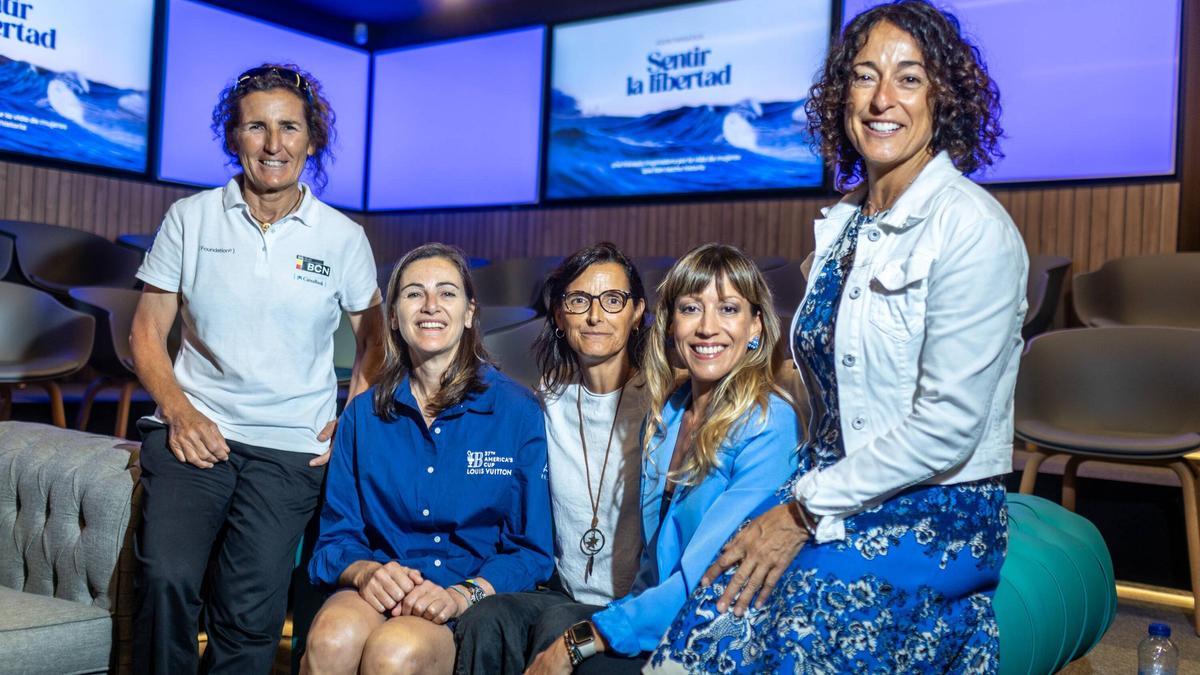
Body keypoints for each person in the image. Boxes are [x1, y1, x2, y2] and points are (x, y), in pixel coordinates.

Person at [648, 2, 1027, 672]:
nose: (883, 99)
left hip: (935, 506)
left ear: (945, 97)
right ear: (840, 95)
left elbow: (948, 427)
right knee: (715, 597)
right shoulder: (844, 223)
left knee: (801, 617)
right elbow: (832, 375)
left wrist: (800, 512)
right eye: (863, 76)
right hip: (827, 485)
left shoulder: (974, 229)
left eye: (909, 79)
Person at [130, 64, 383, 673]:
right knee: (167, 579)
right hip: (197, 433)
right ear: (233, 138)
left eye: (289, 128)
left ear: (311, 140)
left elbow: (375, 337)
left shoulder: (343, 238)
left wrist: (353, 415)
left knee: (250, 613)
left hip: (292, 447)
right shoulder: (190, 218)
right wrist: (180, 411)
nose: (274, 145)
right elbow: (144, 332)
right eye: (256, 127)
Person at [525, 243, 801, 674]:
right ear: (671, 324)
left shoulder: (768, 424)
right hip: (658, 617)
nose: (708, 328)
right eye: (691, 308)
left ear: (756, 328)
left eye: (728, 309)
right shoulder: (669, 413)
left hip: (720, 629)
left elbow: (704, 578)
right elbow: (653, 568)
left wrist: (583, 639)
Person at [301, 243, 554, 675]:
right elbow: (334, 541)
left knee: (395, 653)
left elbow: (530, 551)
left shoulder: (517, 412)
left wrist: (463, 593)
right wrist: (365, 572)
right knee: (330, 640)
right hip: (380, 585)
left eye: (447, 293)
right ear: (395, 316)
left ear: (470, 312)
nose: (431, 305)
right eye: (414, 293)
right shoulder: (361, 416)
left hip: (464, 590)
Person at [453, 242, 650, 674]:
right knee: (485, 618)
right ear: (559, 315)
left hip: (632, 600)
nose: (595, 316)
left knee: (558, 624)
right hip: (560, 588)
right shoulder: (545, 403)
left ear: (636, 313)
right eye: (579, 301)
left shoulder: (665, 404)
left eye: (613, 300)